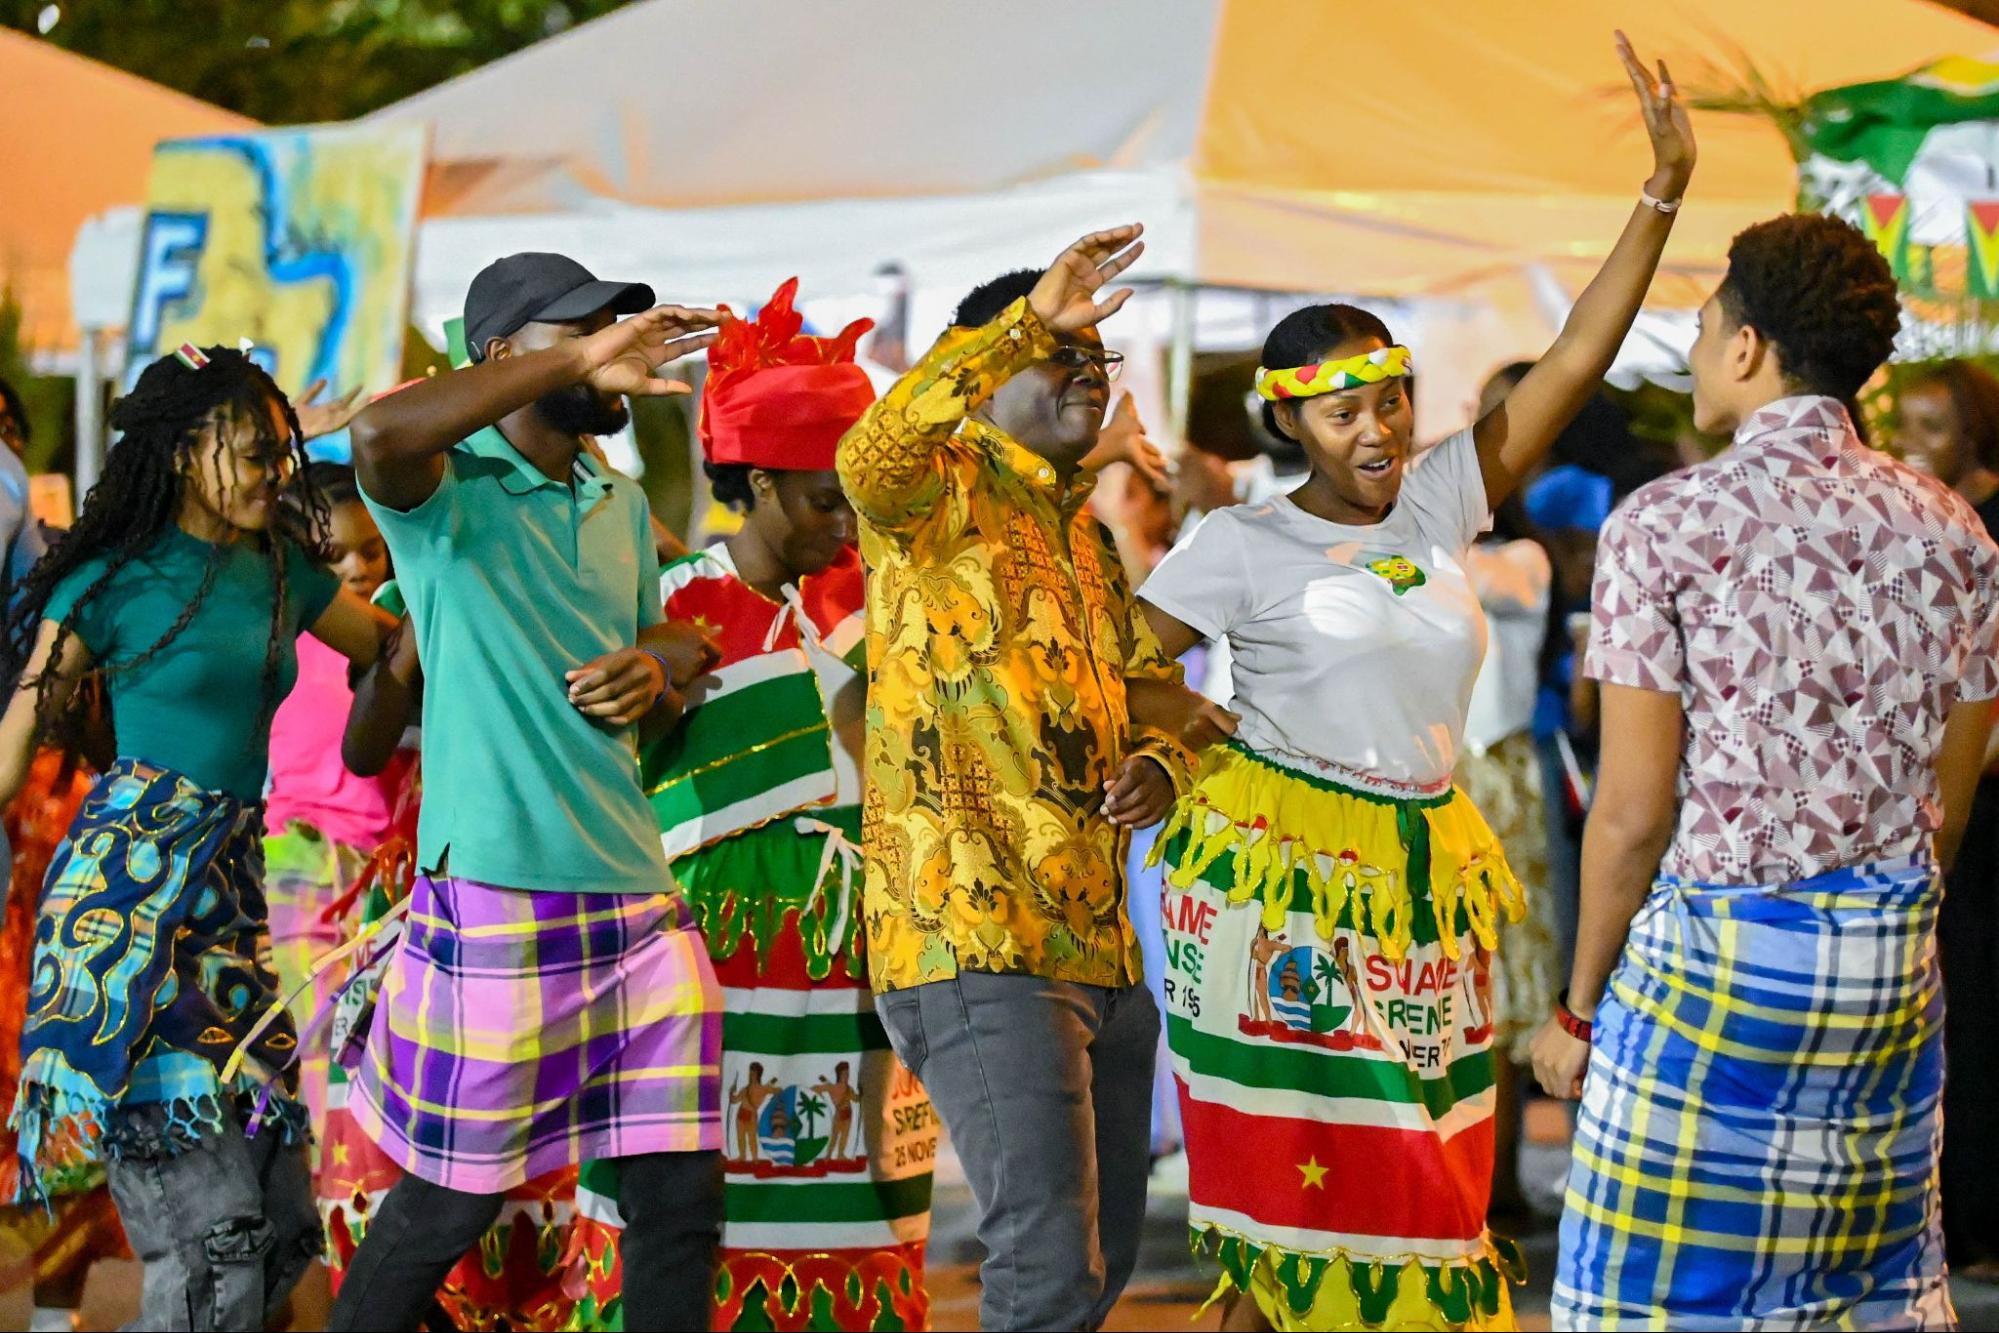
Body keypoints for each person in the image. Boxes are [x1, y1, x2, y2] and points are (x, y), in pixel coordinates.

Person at [1135, 35, 1693, 1330]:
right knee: (1287, 1219)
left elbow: (1568, 360)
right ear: (1286, 422)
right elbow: (1108, 664)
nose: (1377, 428)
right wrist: (1177, 735)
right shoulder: (1239, 545)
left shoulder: (1441, 497)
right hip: (1277, 898)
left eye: (1388, 399)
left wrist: (1659, 189)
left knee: (1426, 1194)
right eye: (1344, 413)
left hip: (1423, 878)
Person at [1530, 214, 1999, 1327]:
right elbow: (1951, 798)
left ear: (1746, 348)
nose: (1694, 352)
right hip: (1884, 974)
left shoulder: (1663, 525)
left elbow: (1632, 814)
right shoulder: (1957, 536)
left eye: (1700, 328)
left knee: (1653, 1301)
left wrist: (1580, 1006)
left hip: (1713, 977)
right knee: (1857, 1297)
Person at [326, 252, 728, 1332]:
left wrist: (661, 661)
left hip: (638, 897)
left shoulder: (617, 500)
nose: (613, 340)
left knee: (679, 1202)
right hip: (499, 888)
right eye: (582, 327)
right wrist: (583, 357)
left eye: (615, 324)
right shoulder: (440, 496)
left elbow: (661, 633)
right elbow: (379, 438)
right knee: (448, 1202)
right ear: (499, 356)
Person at [837, 225, 1212, 1331]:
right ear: (993, 365)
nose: (1089, 383)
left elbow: (1166, 703)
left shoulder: (1087, 542)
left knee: (1091, 1267)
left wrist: (1160, 764)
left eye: (1100, 366)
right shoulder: (929, 498)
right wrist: (1024, 322)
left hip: (1097, 944)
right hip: (972, 931)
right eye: (1065, 360)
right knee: (1042, 1264)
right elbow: (871, 449)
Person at [568, 280, 939, 1331]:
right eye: (827, 500)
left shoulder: (882, 608)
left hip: (859, 962)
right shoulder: (676, 603)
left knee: (856, 1217)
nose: (845, 525)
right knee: (695, 1217)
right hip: (707, 970)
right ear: (761, 482)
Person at [0, 345, 390, 1329]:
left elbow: (391, 650)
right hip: (125, 925)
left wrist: (439, 539)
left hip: (230, 925)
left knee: (279, 1212)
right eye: (254, 454)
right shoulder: (108, 578)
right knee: (213, 1228)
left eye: (278, 454)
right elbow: (12, 751)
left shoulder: (279, 572)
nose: (273, 473)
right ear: (183, 452)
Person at [262, 461, 401, 1135]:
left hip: (392, 878)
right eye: (332, 555)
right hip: (304, 862)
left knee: (388, 1046)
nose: (355, 566)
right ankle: (333, 1208)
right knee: (319, 1045)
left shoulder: (402, 636)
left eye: (369, 548)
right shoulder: (279, 634)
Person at [1898, 360, 1999, 1278]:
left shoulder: (1981, 535)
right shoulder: (1920, 525)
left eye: (1930, 427)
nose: (1907, 446)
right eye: (1901, 425)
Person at [1456, 496, 1562, 1225]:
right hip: (1444, 775)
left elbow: (1474, 580)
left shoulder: (1523, 560)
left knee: (1500, 987)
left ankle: (1497, 1183)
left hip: (1505, 782)